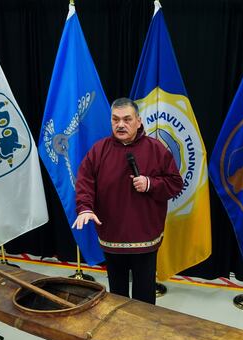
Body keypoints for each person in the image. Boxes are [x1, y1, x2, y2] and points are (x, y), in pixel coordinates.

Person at [73, 98, 183, 305]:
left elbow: (175, 183)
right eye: (115, 119)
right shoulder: (99, 150)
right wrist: (85, 207)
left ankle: (144, 333)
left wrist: (150, 184)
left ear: (139, 121)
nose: (120, 125)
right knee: (117, 294)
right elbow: (85, 181)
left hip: (145, 237)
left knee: (144, 294)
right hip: (112, 236)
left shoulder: (156, 149)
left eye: (127, 119)